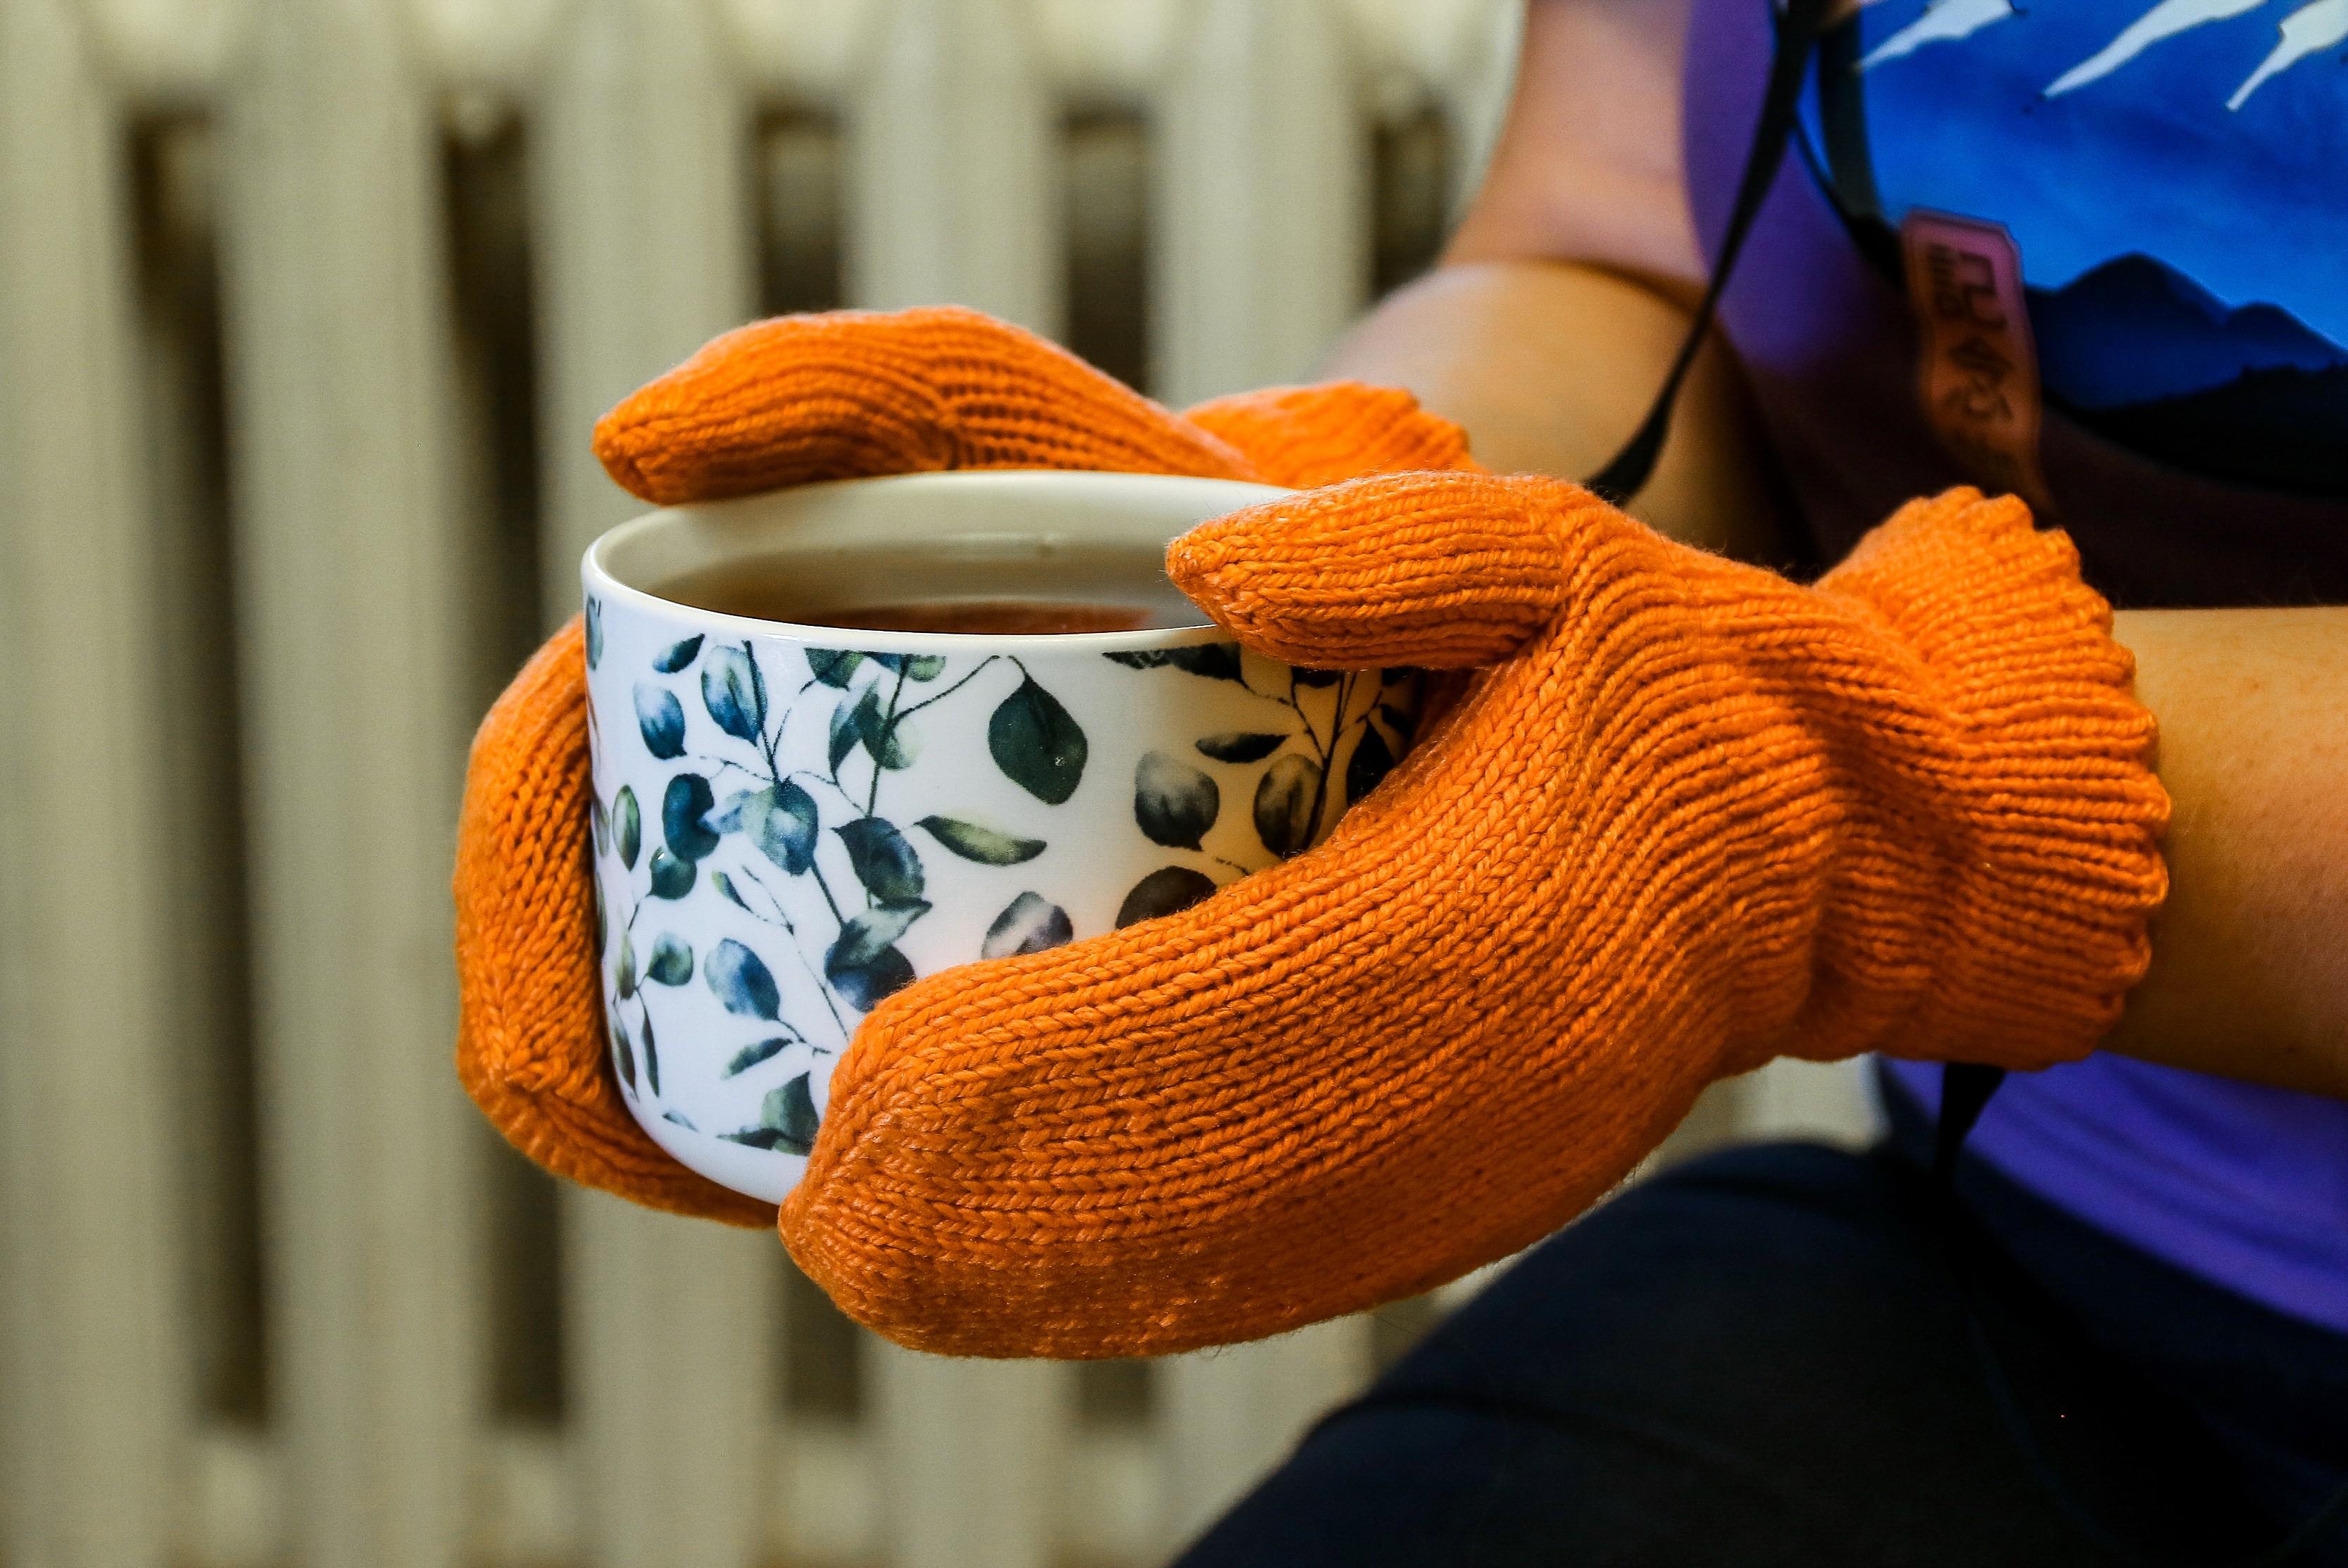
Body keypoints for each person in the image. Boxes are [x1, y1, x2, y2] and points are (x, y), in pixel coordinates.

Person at [453, 0, 2348, 1558]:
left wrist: (1887, 800)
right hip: (2035, 1229)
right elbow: (1623, 242)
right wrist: (1331, 529)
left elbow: (1840, 791)